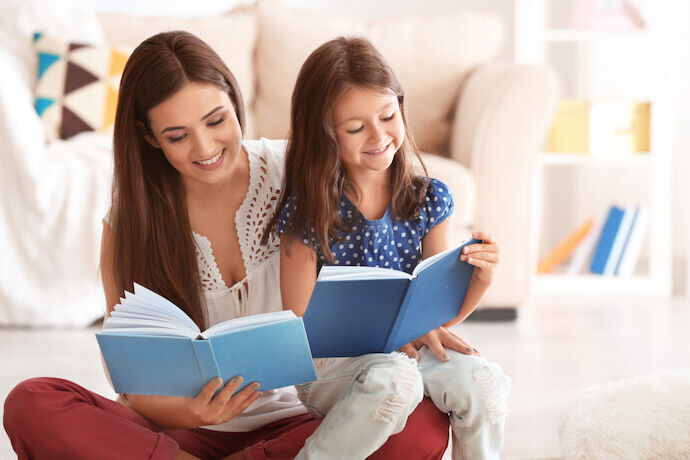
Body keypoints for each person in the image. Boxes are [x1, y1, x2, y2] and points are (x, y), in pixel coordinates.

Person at [2, 31, 451, 459]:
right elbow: (133, 385)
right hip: (180, 435)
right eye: (177, 136)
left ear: (236, 103)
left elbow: (390, 226)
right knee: (32, 401)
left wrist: (426, 310)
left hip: (306, 422)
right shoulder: (131, 220)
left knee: (421, 422)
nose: (206, 146)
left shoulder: (300, 174)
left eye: (217, 120)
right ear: (148, 137)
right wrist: (192, 412)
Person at [266, 37, 511, 460]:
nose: (378, 136)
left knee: (482, 386)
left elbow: (437, 314)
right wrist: (382, 335)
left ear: (401, 106)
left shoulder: (428, 198)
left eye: (387, 116)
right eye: (356, 128)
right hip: (331, 363)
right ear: (325, 134)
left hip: (412, 350)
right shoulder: (309, 212)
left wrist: (481, 278)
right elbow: (302, 327)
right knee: (395, 380)